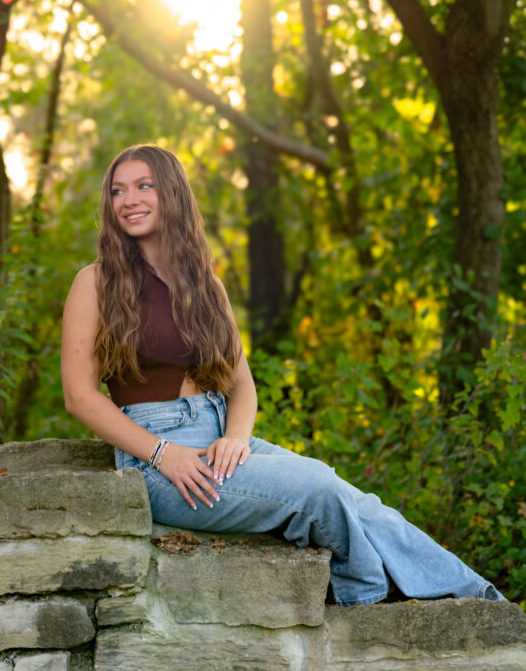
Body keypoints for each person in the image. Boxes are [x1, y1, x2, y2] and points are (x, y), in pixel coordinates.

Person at [61, 144, 505, 606]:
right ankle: (370, 600)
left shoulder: (204, 283)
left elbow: (241, 383)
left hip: (220, 442)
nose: (129, 199)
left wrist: (235, 436)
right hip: (158, 461)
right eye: (118, 191)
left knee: (360, 502)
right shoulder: (95, 282)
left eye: (144, 185)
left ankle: (481, 600)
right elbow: (79, 396)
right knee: (316, 488)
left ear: (171, 193)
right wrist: (162, 453)